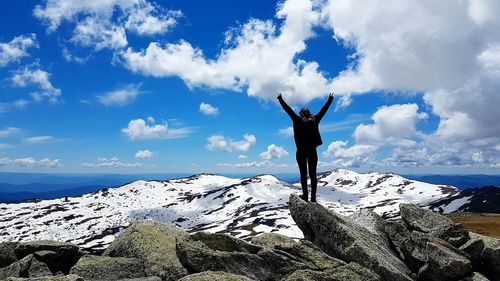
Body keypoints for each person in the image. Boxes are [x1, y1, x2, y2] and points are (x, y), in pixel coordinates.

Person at [277, 93, 334, 202]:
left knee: (304, 174)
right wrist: (330, 99)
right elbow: (323, 110)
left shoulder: (298, 120)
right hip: (311, 150)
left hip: (302, 151)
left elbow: (288, 110)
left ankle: (307, 196)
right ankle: (312, 197)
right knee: (312, 175)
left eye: (306, 110)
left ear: (302, 113)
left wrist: (280, 99)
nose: (305, 111)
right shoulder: (314, 120)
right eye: (305, 110)